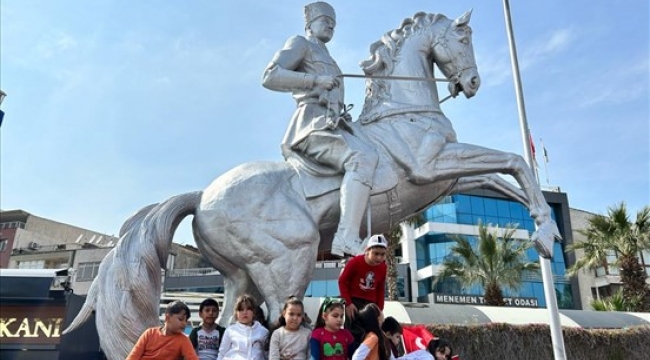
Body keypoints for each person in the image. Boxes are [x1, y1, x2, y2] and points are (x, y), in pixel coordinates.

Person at [262, 1, 379, 257]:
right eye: (325, 20)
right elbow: (270, 76)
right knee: (361, 157)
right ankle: (346, 237)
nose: (330, 26)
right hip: (311, 125)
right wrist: (314, 80)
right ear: (309, 24)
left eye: (334, 23)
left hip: (333, 123)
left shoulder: (330, 58)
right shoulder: (300, 43)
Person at [338, 234, 388, 347]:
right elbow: (342, 281)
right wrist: (348, 303)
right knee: (353, 335)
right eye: (376, 253)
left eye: (382, 254)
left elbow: (380, 289)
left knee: (371, 335)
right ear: (367, 250)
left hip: (371, 305)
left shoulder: (383, 267)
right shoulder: (355, 262)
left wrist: (379, 310)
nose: (379, 258)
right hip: (354, 302)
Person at [126, 301, 199, 360]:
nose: (184, 323)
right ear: (167, 318)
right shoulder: (149, 333)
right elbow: (133, 357)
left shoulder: (183, 340)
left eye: (186, 320)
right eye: (181, 319)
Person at [217, 294, 269, 360]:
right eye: (241, 309)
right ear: (236, 313)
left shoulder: (263, 331)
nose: (245, 312)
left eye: (248, 309)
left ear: (253, 312)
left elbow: (267, 354)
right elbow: (222, 353)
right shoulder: (230, 330)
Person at [268, 296, 311, 360]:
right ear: (284, 313)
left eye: (299, 315)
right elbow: (273, 357)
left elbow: (310, 356)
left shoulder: (307, 334)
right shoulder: (277, 334)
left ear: (302, 316)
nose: (295, 318)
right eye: (291, 314)